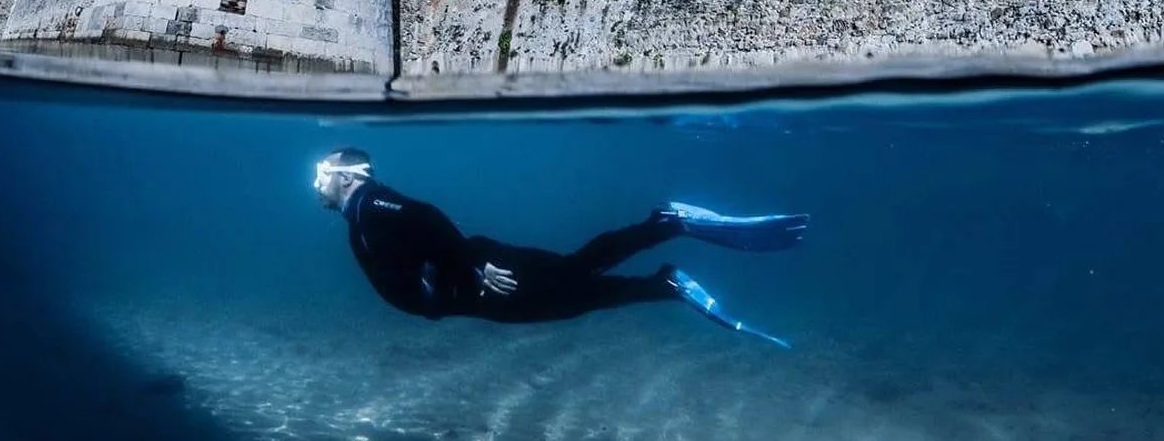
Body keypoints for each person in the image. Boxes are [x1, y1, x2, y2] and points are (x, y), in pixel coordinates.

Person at [312, 147, 808, 348]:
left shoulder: (371, 202)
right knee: (573, 297)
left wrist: (472, 264)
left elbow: (427, 217)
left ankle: (666, 225)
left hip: (484, 276)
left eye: (321, 175)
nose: (316, 186)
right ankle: (665, 282)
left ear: (346, 176)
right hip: (470, 293)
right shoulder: (359, 216)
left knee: (576, 274)